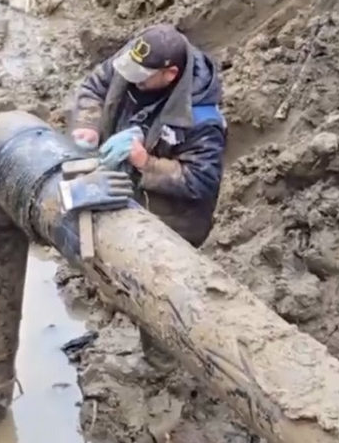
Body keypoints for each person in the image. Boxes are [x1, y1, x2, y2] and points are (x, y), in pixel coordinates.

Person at [68, 22, 227, 372]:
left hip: (174, 219)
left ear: (170, 75)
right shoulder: (137, 60)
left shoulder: (201, 120)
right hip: (129, 191)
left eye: (141, 78)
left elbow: (200, 180)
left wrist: (145, 162)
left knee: (159, 286)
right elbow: (95, 86)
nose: (131, 80)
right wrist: (88, 125)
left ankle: (161, 364)